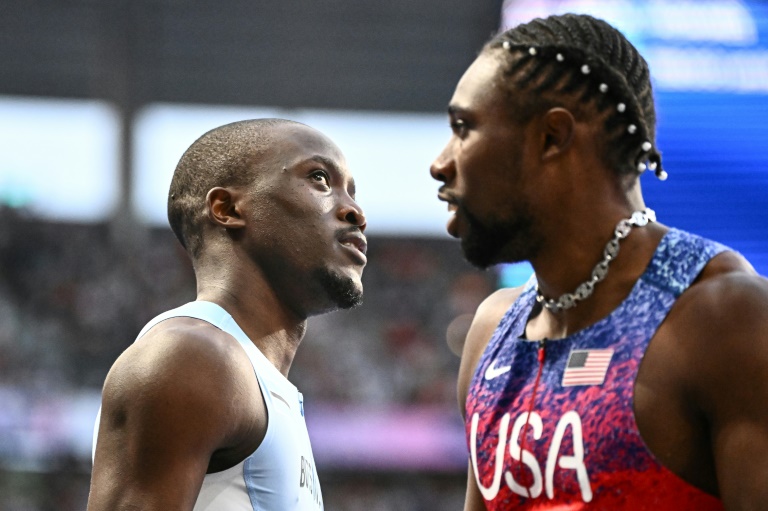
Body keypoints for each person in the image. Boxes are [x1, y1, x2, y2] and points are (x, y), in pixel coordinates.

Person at [429, 13, 768, 511]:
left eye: (464, 128)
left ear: (551, 137)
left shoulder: (724, 320)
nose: (441, 161)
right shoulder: (491, 333)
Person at [87, 118, 367, 510]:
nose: (355, 211)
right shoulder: (190, 355)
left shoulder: (262, 383)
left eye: (352, 192)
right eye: (320, 179)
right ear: (227, 208)